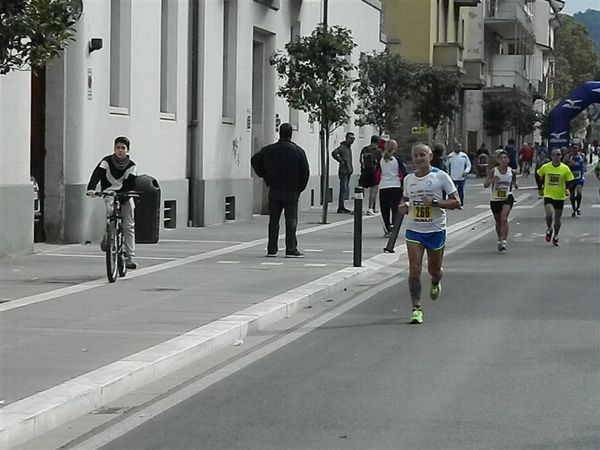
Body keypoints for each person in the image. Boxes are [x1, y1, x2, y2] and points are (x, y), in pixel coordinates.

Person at [398, 143, 461, 324]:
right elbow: (406, 200)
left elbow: (456, 202)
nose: (419, 159)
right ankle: (416, 308)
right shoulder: (409, 179)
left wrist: (434, 203)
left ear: (430, 156)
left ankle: (435, 281)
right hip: (414, 230)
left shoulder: (440, 176)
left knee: (434, 270)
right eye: (416, 156)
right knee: (414, 268)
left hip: (435, 230)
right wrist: (403, 206)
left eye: (422, 155)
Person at [251, 123, 310, 258]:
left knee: (274, 221)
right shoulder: (298, 151)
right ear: (291, 134)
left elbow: (254, 160)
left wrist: (264, 175)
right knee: (291, 220)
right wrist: (300, 188)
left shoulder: (269, 150)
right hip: (292, 190)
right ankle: (291, 248)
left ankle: (272, 248)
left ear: (279, 133)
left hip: (275, 188)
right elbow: (305, 171)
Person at [86, 136, 138, 269]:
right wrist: (91, 188)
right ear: (114, 149)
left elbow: (130, 183)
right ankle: (108, 234)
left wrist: (124, 196)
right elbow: (97, 174)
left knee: (128, 224)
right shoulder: (106, 162)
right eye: (118, 148)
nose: (120, 150)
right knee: (110, 213)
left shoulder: (131, 166)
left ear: (127, 150)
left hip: (124, 194)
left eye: (123, 148)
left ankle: (130, 256)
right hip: (109, 193)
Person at [536, 148, 575, 247]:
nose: (556, 157)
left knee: (557, 219)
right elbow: (538, 175)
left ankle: (556, 236)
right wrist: (540, 187)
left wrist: (568, 189)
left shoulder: (565, 168)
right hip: (548, 194)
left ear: (561, 156)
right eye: (554, 155)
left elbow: (571, 181)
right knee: (549, 214)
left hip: (559, 196)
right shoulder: (546, 167)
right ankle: (549, 228)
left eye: (558, 155)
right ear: (551, 156)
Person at [483, 151, 518, 252]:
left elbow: (514, 182)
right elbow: (485, 184)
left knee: (504, 219)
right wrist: (492, 180)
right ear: (498, 160)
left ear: (508, 160)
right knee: (498, 221)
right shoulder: (493, 171)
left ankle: (504, 241)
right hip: (495, 199)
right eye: (501, 158)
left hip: (507, 197)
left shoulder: (512, 172)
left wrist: (515, 184)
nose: (503, 160)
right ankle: (499, 239)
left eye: (505, 158)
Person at [378, 139, 406, 238]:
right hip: (395, 186)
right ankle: (394, 228)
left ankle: (387, 228)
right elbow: (404, 172)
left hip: (383, 186)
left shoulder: (381, 160)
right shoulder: (397, 160)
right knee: (395, 208)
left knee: (384, 209)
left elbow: (377, 172)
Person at [359, 135, 383, 215]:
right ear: (377, 142)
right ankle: (370, 208)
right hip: (374, 173)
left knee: (360, 190)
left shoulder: (364, 149)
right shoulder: (378, 151)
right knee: (373, 191)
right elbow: (380, 162)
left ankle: (358, 207)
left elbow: (360, 160)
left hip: (364, 172)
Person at [332, 132, 355, 213]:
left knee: (345, 189)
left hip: (348, 170)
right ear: (346, 138)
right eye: (350, 138)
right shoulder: (342, 147)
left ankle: (342, 206)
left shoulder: (348, 148)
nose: (352, 140)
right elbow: (334, 153)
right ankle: (341, 207)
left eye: (353, 139)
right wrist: (341, 161)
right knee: (343, 188)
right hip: (343, 171)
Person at [567, 141, 586, 217]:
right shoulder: (569, 156)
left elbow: (585, 162)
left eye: (576, 148)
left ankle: (578, 207)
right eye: (573, 148)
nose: (575, 149)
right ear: (571, 148)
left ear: (578, 148)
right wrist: (570, 164)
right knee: (571, 196)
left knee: (579, 193)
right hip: (571, 178)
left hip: (579, 178)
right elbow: (563, 164)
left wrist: (584, 167)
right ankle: (574, 209)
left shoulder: (582, 155)